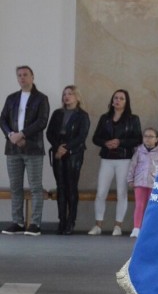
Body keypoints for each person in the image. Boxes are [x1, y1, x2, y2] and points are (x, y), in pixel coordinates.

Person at [1, 66, 50, 236]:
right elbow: (3, 120)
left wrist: (22, 134)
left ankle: (35, 224)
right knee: (15, 187)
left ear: (32, 76)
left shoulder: (41, 98)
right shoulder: (11, 98)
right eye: (19, 75)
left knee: (36, 187)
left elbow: (42, 121)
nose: (22, 78)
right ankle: (17, 222)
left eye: (25, 75)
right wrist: (11, 135)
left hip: (33, 149)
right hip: (12, 149)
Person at [89, 88, 142, 236]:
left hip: (124, 159)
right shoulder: (104, 118)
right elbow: (95, 138)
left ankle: (118, 226)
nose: (117, 100)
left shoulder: (133, 119)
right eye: (115, 98)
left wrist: (120, 142)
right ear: (112, 101)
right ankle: (98, 224)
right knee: (101, 192)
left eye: (121, 98)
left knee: (122, 193)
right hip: (107, 159)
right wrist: (106, 142)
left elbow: (137, 139)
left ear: (126, 102)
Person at [46, 85, 90, 235]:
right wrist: (58, 147)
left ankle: (71, 221)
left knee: (71, 186)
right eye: (65, 94)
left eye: (70, 94)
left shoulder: (82, 115)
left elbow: (82, 136)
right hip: (58, 151)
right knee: (61, 187)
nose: (67, 96)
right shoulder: (57, 113)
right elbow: (50, 133)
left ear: (77, 97)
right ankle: (62, 221)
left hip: (74, 153)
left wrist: (66, 148)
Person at [127, 127, 158, 238]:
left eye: (151, 136)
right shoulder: (138, 151)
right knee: (139, 205)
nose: (148, 139)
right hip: (139, 183)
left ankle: (149, 228)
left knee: (151, 206)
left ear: (156, 139)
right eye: (146, 136)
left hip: (153, 183)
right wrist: (130, 179)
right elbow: (133, 166)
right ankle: (137, 228)